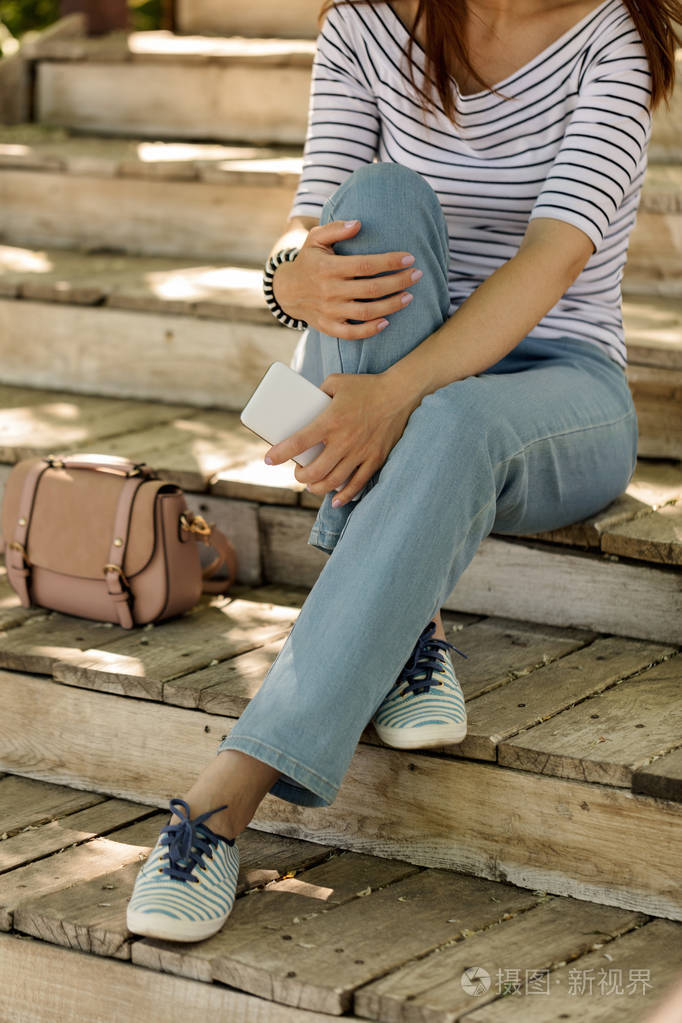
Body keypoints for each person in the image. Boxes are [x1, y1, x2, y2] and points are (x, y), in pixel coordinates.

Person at [126, 0, 681, 943]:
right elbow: (315, 222)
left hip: (558, 388)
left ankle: (223, 799)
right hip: (382, 365)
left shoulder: (614, 38)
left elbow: (552, 259)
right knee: (379, 197)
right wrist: (283, 275)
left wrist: (395, 399)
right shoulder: (368, 26)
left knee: (454, 418)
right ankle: (406, 627)